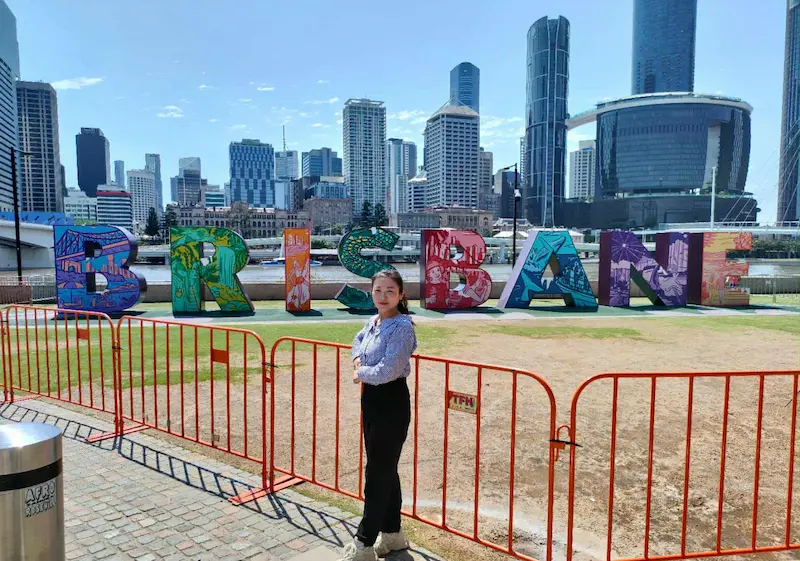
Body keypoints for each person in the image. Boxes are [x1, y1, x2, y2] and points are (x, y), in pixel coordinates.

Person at [340, 269, 417, 561]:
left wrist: (360, 372)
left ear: (401, 295)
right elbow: (357, 340)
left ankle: (364, 542)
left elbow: (390, 370)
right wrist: (358, 358)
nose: (383, 296)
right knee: (384, 468)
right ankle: (393, 534)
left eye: (389, 291)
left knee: (376, 474)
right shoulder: (373, 321)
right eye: (377, 290)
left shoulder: (402, 326)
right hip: (371, 401)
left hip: (392, 402)